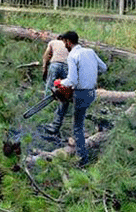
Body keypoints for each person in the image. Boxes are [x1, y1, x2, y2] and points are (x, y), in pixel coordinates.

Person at [45, 31, 107, 167]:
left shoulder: (72, 55)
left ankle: (82, 160)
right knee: (79, 111)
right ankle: (101, 122)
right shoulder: (90, 51)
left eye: (64, 43)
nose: (64, 46)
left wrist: (60, 83)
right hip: (91, 93)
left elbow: (71, 79)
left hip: (81, 94)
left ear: (68, 42)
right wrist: (88, 73)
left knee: (77, 128)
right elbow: (103, 68)